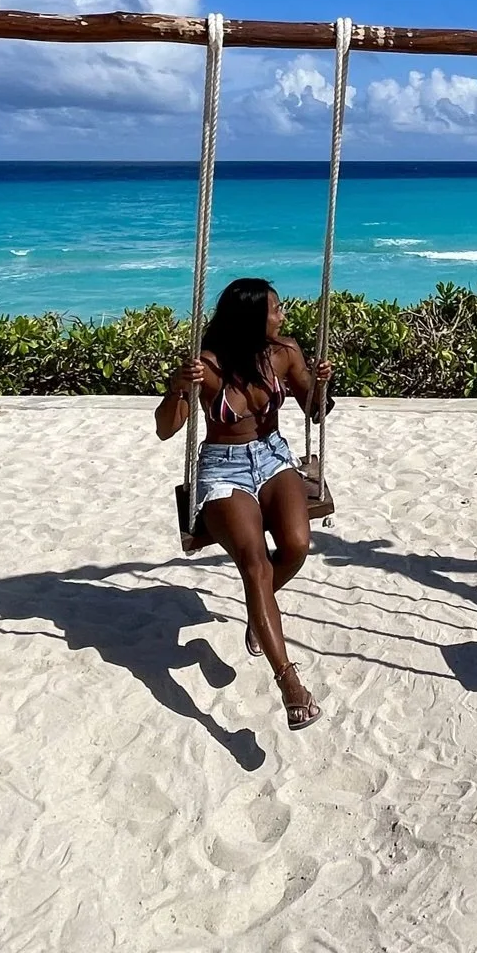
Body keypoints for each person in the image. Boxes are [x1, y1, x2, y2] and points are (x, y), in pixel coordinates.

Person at [156, 277, 332, 731]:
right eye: (276, 309)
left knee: (296, 545)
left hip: (273, 456)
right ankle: (289, 683)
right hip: (223, 467)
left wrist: (321, 386)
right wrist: (179, 386)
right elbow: (165, 429)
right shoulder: (208, 366)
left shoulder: (284, 352)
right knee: (255, 563)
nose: (283, 315)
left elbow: (314, 409)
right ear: (253, 317)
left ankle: (260, 611)